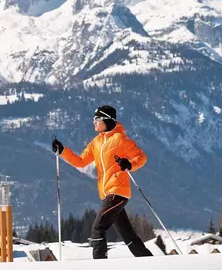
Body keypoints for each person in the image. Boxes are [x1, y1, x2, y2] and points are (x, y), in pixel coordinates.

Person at [52, 105, 153, 258]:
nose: (94, 122)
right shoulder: (96, 142)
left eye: (97, 119)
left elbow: (141, 156)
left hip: (117, 191)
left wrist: (130, 164)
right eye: (94, 119)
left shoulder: (120, 139)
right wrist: (63, 151)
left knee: (98, 228)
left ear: (107, 119)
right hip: (107, 194)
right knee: (128, 235)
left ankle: (99, 264)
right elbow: (81, 161)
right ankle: (149, 262)